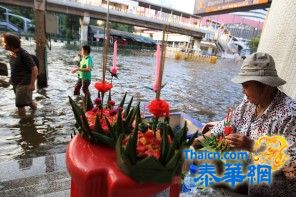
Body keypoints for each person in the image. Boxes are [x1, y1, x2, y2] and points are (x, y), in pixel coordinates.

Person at [193, 52, 296, 181]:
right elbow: (223, 127)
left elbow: (292, 170)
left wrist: (253, 146)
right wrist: (195, 143)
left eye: (246, 86)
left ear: (265, 84)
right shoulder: (249, 103)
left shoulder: (290, 115)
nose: (243, 91)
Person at [1, 33, 38, 116]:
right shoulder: (13, 54)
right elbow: (15, 69)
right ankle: (35, 114)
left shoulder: (24, 54)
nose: (3, 44)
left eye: (5, 43)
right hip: (16, 83)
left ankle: (23, 124)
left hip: (24, 84)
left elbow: (34, 69)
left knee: (20, 106)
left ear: (11, 44)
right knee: (29, 102)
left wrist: (32, 84)